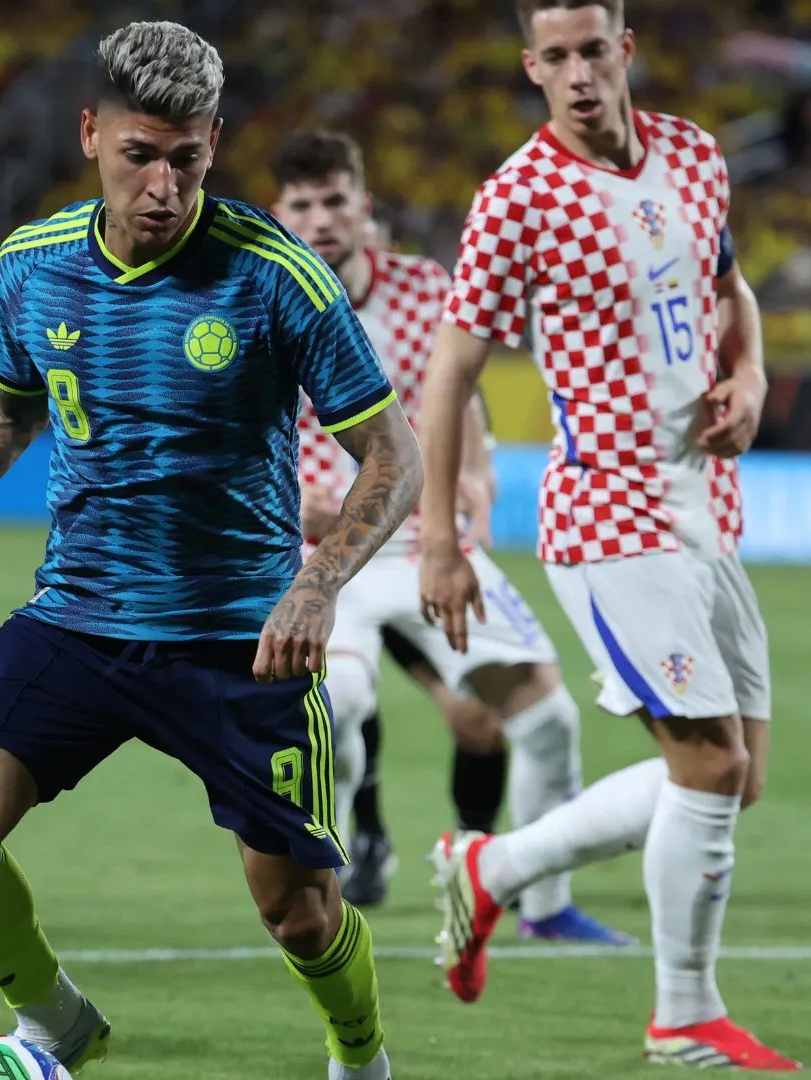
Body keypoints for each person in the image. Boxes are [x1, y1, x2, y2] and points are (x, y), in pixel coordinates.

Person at [0, 23, 418, 1080]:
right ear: (90, 134)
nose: (163, 185)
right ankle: (60, 1023)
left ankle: (361, 1059)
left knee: (301, 917)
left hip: (237, 641)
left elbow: (393, 459)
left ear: (215, 142)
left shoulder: (276, 277)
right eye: (140, 155)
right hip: (76, 620)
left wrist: (315, 587)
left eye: (187, 159)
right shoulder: (31, 268)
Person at [417, 0, 797, 1070]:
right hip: (609, 515)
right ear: (530, 68)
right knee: (709, 762)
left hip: (704, 508)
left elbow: (731, 291)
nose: (579, 74)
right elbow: (448, 376)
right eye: (557, 58)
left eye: (595, 51)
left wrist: (752, 372)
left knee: (732, 777)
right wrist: (441, 539)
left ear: (624, 50)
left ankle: (489, 874)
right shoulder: (518, 201)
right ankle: (683, 1015)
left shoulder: (693, 154)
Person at [273, 130, 630, 944]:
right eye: (304, 206)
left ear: (365, 207)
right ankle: (326, 872)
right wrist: (290, 502)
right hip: (318, 555)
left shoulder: (423, 287)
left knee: (548, 718)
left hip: (423, 536)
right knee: (344, 700)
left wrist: (473, 481)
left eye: (336, 201)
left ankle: (545, 908)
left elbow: (457, 397)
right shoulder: (265, 296)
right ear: (280, 216)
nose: (323, 219)